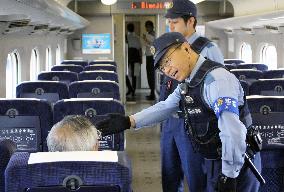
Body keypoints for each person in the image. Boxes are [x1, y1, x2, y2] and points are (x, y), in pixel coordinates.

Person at [97, 32, 261, 192]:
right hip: (216, 159)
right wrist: (129, 121)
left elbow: (232, 131)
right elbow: (166, 107)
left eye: (167, 61)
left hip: (238, 162)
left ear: (186, 48)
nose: (166, 70)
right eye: (162, 67)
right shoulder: (188, 83)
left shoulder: (217, 81)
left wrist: (229, 174)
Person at [159, 0, 224, 191]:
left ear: (191, 21)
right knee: (169, 176)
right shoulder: (171, 48)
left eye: (175, 22)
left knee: (196, 178)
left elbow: (218, 89)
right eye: (169, 22)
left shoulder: (208, 49)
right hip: (169, 122)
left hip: (193, 124)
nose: (171, 26)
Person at [126, 23, 142, 97]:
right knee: (134, 75)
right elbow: (140, 49)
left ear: (127, 29)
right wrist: (140, 59)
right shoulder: (137, 37)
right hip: (136, 57)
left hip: (128, 57)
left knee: (127, 74)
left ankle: (131, 89)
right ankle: (133, 90)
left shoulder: (126, 37)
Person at [143, 20, 156, 100]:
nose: (146, 28)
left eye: (147, 27)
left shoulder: (154, 34)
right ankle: (151, 92)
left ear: (151, 27)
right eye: (146, 27)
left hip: (152, 56)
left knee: (151, 75)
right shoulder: (148, 34)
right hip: (148, 56)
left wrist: (145, 40)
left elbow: (152, 45)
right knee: (149, 74)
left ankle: (152, 93)